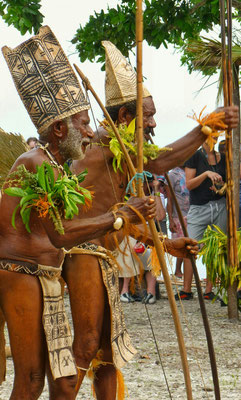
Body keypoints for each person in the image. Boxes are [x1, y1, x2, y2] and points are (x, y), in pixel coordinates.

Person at [62, 40, 239, 399]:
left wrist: (170, 245)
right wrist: (205, 128)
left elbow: (122, 217)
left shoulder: (120, 150)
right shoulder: (105, 147)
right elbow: (159, 162)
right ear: (125, 118)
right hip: (83, 255)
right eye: (148, 115)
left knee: (107, 351)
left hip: (103, 256)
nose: (154, 122)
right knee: (87, 347)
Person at [0, 27, 156, 400]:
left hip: (42, 277)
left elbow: (65, 231)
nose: (90, 133)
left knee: (42, 377)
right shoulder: (35, 162)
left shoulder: (55, 165)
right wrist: (120, 216)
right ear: (58, 128)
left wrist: (138, 228)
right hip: (19, 274)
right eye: (83, 124)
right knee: (32, 378)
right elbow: (61, 234)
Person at [175, 140, 227, 301]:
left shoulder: (223, 156)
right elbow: (189, 185)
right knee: (191, 246)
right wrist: (206, 174)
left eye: (216, 133)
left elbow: (229, 183)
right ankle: (186, 289)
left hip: (220, 206)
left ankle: (209, 289)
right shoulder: (195, 155)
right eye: (211, 132)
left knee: (216, 247)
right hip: (199, 208)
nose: (214, 137)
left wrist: (221, 186)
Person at [168, 166, 190, 278]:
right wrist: (171, 219)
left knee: (190, 244)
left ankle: (188, 272)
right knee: (180, 244)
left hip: (192, 214)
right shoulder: (173, 174)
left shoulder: (191, 171)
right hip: (178, 215)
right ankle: (177, 270)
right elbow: (170, 198)